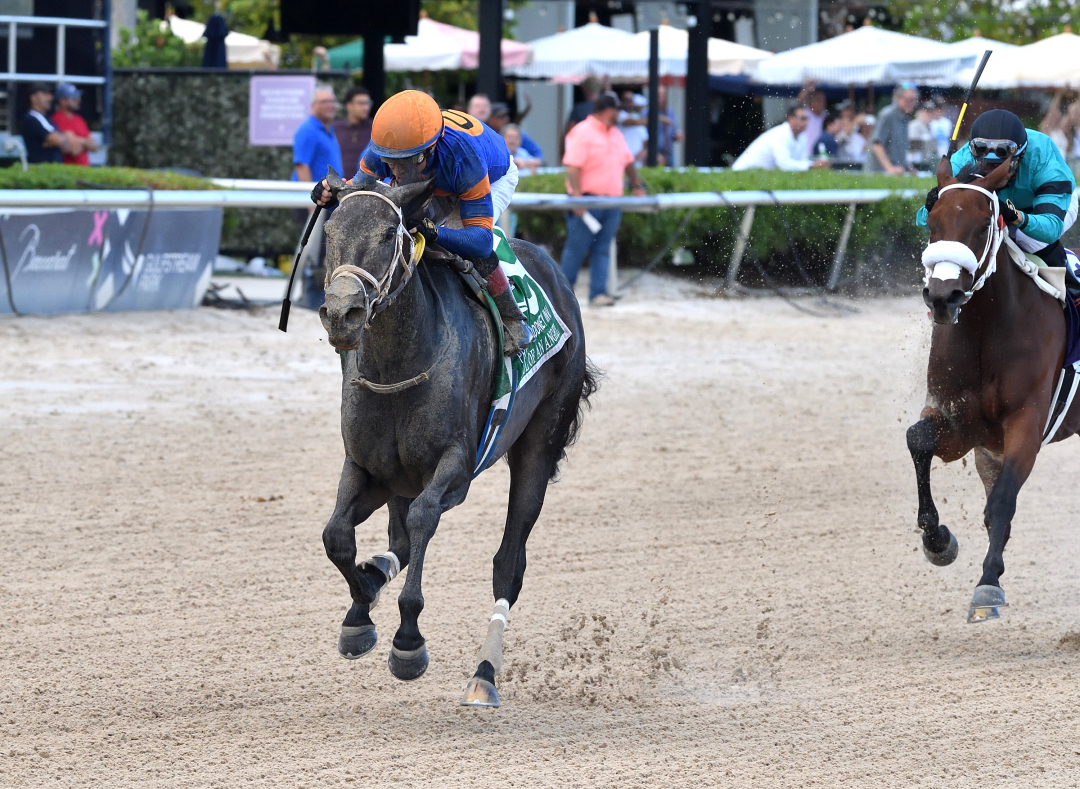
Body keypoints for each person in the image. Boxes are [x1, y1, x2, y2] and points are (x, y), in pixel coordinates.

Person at [312, 90, 534, 354]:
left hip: (490, 176)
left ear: (430, 149)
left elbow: (481, 241)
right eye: (390, 163)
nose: (397, 172)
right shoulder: (385, 145)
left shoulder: (465, 160)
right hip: (436, 177)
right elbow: (359, 193)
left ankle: (512, 318)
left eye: (407, 161)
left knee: (456, 239)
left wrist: (436, 233)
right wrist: (331, 193)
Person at [918, 109, 1077, 269]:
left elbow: (1051, 229)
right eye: (986, 165)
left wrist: (1014, 216)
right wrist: (931, 208)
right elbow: (926, 222)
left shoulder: (1042, 157)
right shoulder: (962, 161)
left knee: (1027, 240)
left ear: (1020, 157)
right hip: (997, 205)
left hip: (1051, 207)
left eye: (999, 166)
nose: (993, 174)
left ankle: (1070, 280)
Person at [560, 92, 647, 307]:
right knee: (576, 249)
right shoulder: (582, 132)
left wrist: (637, 185)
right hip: (587, 201)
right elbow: (572, 166)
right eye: (618, 109)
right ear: (610, 110)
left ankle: (598, 294)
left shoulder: (616, 133)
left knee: (603, 248)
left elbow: (628, 162)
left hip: (612, 201)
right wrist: (578, 198)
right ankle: (562, 296)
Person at [731, 106, 830, 171]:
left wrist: (814, 165)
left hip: (760, 177)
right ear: (791, 119)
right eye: (803, 119)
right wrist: (813, 165)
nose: (806, 122)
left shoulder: (802, 136)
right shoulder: (780, 134)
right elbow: (784, 164)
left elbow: (801, 162)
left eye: (807, 119)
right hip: (742, 174)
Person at [292, 85, 343, 183]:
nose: (330, 105)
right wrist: (309, 196)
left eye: (332, 101)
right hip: (315, 196)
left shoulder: (329, 129)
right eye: (324, 102)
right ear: (313, 105)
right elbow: (302, 167)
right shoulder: (308, 130)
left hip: (328, 196)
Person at [865, 84, 918, 174]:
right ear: (898, 98)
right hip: (878, 174)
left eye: (913, 100)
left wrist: (908, 168)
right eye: (908, 100)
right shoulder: (887, 115)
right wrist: (890, 169)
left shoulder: (905, 117)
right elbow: (876, 145)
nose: (911, 103)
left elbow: (898, 150)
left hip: (893, 174)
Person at [50, 82, 98, 166]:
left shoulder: (79, 119)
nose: (77, 100)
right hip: (69, 170)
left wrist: (79, 141)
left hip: (86, 169)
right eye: (73, 97)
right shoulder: (56, 119)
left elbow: (94, 146)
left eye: (77, 97)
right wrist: (85, 143)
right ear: (62, 100)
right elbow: (73, 150)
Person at [22, 82, 70, 164]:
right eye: (45, 94)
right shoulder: (33, 118)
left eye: (50, 94)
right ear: (33, 97)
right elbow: (59, 140)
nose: (50, 98)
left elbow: (67, 147)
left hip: (53, 170)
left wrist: (52, 142)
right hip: (41, 171)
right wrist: (65, 137)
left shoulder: (47, 119)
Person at [333, 85, 372, 180]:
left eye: (367, 103)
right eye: (361, 103)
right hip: (339, 185)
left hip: (365, 187)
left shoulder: (375, 128)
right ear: (349, 105)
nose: (366, 107)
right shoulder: (335, 128)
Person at [797, 81, 828, 158]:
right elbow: (799, 102)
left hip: (821, 154)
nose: (821, 103)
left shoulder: (826, 116)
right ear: (811, 101)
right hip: (806, 153)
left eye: (823, 100)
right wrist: (807, 87)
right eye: (818, 100)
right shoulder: (805, 113)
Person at [655, 84, 683, 166]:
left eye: (663, 95)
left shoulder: (670, 113)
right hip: (654, 154)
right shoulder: (647, 112)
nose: (662, 98)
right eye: (660, 95)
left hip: (668, 154)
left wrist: (677, 135)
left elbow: (674, 133)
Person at [908, 101, 937, 169]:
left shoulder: (929, 127)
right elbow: (912, 146)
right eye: (927, 112)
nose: (929, 114)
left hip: (925, 164)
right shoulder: (914, 125)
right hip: (915, 164)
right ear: (919, 113)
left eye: (931, 112)